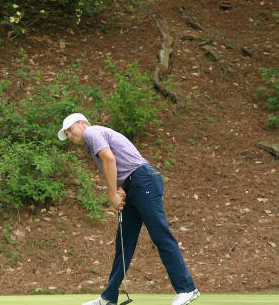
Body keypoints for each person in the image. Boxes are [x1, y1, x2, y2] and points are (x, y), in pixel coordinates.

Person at [58, 112, 200, 305]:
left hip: (144, 182)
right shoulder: (92, 142)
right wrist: (123, 189)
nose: (68, 134)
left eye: (70, 129)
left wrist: (112, 195)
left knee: (160, 235)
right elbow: (126, 161)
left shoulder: (92, 132)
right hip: (134, 184)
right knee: (123, 243)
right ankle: (109, 297)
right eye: (66, 133)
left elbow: (109, 159)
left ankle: (187, 289)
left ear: (82, 123)